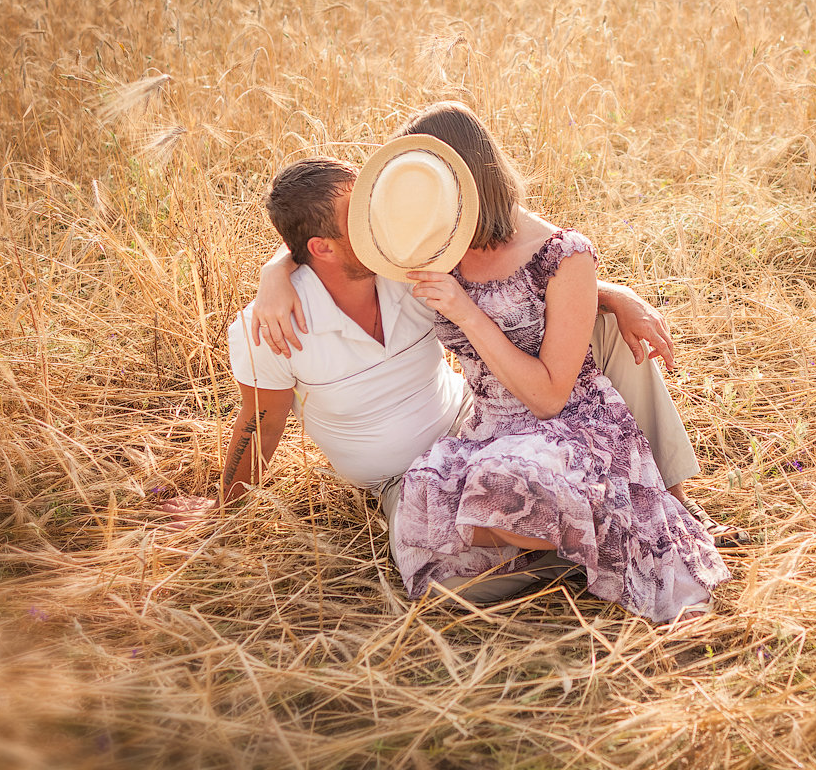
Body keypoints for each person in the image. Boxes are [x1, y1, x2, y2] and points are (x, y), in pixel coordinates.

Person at [160, 152, 735, 606]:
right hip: (404, 480)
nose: (382, 219)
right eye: (360, 217)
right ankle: (593, 538)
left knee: (606, 334)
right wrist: (222, 513)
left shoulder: (405, 268)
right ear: (321, 249)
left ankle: (673, 507)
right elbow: (259, 425)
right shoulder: (277, 325)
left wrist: (617, 296)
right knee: (447, 591)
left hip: (483, 430)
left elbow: (524, 287)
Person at [379, 102, 730, 622]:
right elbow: (334, 223)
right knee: (424, 510)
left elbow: (548, 397)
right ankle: (569, 554)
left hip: (566, 426)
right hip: (486, 431)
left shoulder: (563, 253)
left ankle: (595, 531)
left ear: (470, 182)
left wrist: (466, 310)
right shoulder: (435, 244)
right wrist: (278, 277)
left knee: (504, 487)